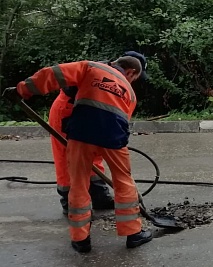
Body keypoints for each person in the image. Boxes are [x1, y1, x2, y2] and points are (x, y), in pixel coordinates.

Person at [14, 56, 153, 253]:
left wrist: (23, 90)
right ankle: (133, 234)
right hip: (112, 137)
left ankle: (81, 240)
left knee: (77, 183)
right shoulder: (129, 92)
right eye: (135, 78)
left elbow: (52, 74)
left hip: (80, 132)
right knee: (124, 181)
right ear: (130, 72)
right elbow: (120, 120)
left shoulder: (90, 67)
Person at [49, 51, 149, 215]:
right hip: (67, 111)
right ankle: (70, 201)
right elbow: (58, 76)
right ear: (130, 70)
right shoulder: (92, 69)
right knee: (68, 157)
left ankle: (99, 196)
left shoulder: (120, 85)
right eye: (135, 77)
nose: (133, 82)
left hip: (90, 116)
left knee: (94, 154)